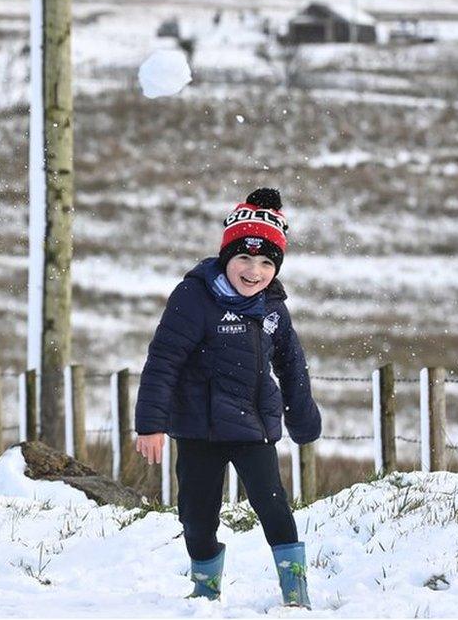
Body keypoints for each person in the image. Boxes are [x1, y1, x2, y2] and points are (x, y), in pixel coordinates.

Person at [134, 188, 321, 608]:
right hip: (198, 429)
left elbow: (291, 365)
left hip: (253, 427)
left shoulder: (273, 307)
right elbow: (163, 360)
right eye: (244, 259)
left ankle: (296, 594)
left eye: (266, 263)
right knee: (196, 518)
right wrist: (151, 423)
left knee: (273, 507)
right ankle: (205, 592)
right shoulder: (194, 298)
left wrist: (303, 419)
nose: (253, 272)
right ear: (226, 258)